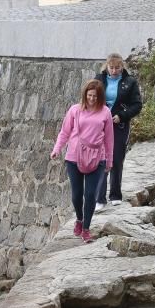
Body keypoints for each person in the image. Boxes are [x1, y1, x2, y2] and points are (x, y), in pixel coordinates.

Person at [51, 79, 114, 243]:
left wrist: (109, 161)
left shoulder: (105, 112)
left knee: (91, 194)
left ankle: (86, 229)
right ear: (85, 94)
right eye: (90, 95)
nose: (92, 99)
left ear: (100, 97)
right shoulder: (75, 110)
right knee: (77, 195)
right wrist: (57, 149)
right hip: (73, 156)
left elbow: (109, 139)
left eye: (95, 96)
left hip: (97, 158)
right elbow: (64, 132)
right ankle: (79, 219)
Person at [94, 52, 142, 210]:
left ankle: (115, 194)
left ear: (122, 67)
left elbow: (136, 105)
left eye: (117, 68)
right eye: (112, 67)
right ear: (107, 66)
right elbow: (90, 98)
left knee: (116, 158)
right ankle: (99, 198)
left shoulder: (129, 82)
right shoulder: (99, 80)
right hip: (100, 124)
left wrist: (122, 116)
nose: (114, 71)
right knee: (101, 159)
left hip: (119, 125)